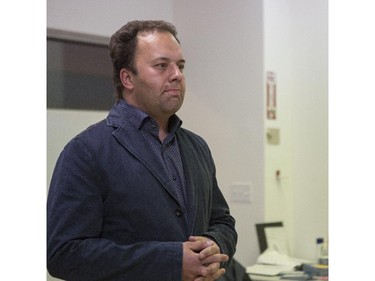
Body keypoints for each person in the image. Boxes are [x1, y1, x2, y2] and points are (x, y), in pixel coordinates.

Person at [47, 20, 237, 281]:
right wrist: (170, 261)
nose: (177, 75)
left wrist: (214, 246)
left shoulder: (197, 147)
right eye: (162, 66)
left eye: (180, 66)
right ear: (127, 78)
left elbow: (223, 221)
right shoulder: (86, 151)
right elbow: (64, 254)